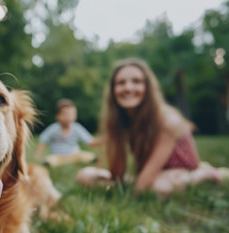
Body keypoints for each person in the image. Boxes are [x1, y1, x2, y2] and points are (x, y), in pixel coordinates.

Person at [76, 58, 224, 196]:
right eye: (120, 83)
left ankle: (204, 174)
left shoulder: (167, 121)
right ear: (113, 90)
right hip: (152, 172)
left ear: (148, 87)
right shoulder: (121, 120)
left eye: (137, 81)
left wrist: (135, 188)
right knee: (84, 176)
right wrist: (115, 183)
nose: (128, 87)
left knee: (154, 189)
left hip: (179, 170)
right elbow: (117, 176)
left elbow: (141, 189)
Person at [35, 98, 96, 167]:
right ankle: (47, 163)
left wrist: (104, 139)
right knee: (50, 159)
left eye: (72, 114)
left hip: (75, 155)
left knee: (86, 156)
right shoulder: (53, 128)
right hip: (58, 156)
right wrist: (37, 156)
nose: (69, 117)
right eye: (66, 114)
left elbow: (90, 142)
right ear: (58, 116)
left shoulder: (77, 127)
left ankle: (93, 160)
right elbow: (43, 141)